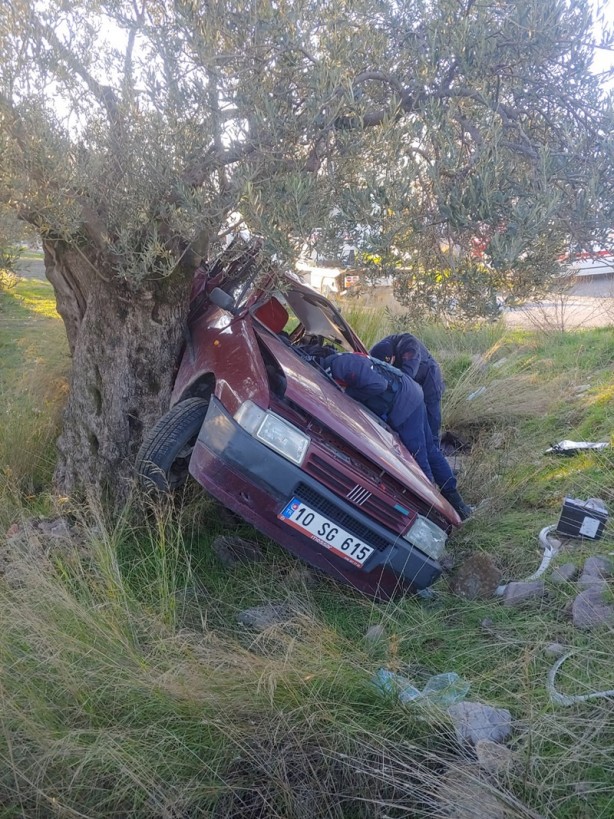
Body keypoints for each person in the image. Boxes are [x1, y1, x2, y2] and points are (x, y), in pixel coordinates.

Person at [319, 352, 472, 520]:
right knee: (430, 450)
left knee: (418, 459)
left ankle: (433, 512)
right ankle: (459, 505)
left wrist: (348, 394)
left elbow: (379, 385)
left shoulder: (339, 365)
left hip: (403, 405)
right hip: (412, 394)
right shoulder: (347, 358)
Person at [370, 333, 444, 447]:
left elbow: (406, 377)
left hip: (429, 379)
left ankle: (434, 447)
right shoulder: (380, 349)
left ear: (393, 358)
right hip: (411, 380)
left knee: (431, 417)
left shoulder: (409, 346)